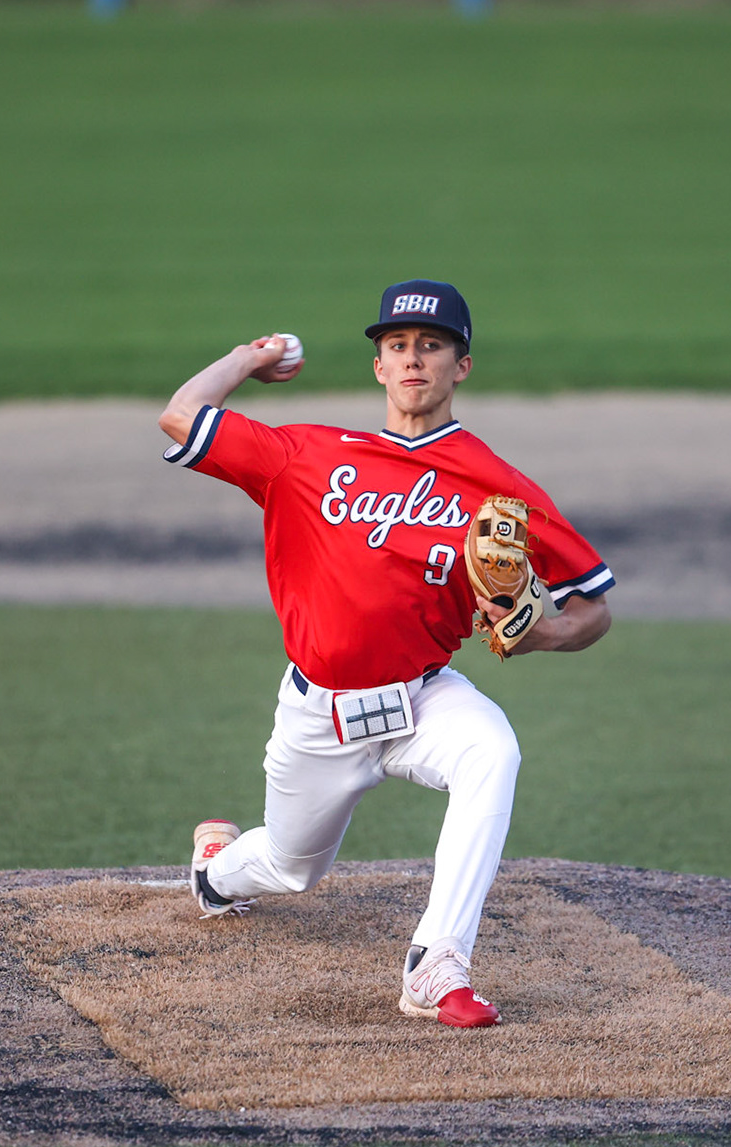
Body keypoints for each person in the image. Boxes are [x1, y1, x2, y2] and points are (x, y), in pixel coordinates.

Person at [157, 280, 615, 1027]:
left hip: (423, 698)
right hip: (319, 712)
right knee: (290, 866)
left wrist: (550, 634)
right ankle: (215, 873)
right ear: (377, 365)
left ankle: (437, 965)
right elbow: (182, 416)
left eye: (431, 346)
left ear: (461, 365)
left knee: (492, 751)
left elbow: (593, 606)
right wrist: (248, 357)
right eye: (397, 346)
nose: (412, 360)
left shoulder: (497, 486)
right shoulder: (304, 456)